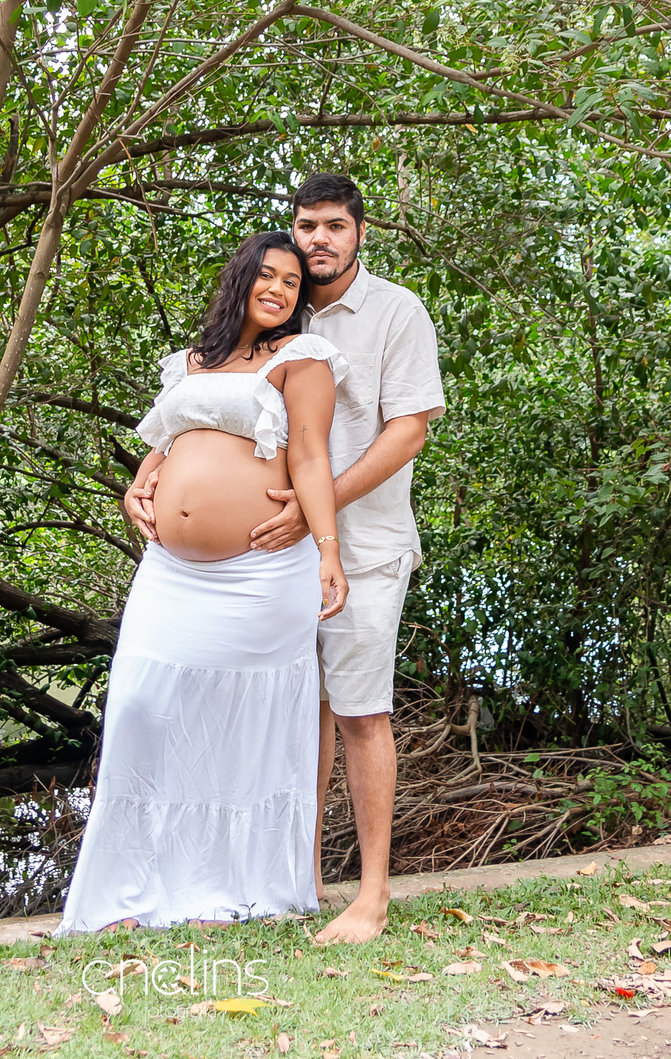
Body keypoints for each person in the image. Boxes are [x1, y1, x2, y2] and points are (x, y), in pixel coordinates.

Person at [59, 232, 349, 933]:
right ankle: (133, 891)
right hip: (170, 573)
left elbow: (310, 458)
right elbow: (165, 445)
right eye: (267, 276)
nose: (279, 290)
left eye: (291, 282)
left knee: (241, 724)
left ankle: (237, 888)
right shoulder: (191, 364)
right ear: (242, 279)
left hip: (259, 575)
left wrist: (327, 547)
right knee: (138, 707)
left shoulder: (300, 359)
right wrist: (135, 491)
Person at [249, 172, 445, 944]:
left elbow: (408, 433)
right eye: (306, 225)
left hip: (364, 550)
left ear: (361, 231)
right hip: (274, 549)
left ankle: (371, 896)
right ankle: (301, 881)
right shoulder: (275, 311)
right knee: (301, 717)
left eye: (334, 225)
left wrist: (317, 505)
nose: (319, 238)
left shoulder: (397, 312)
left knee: (362, 714)